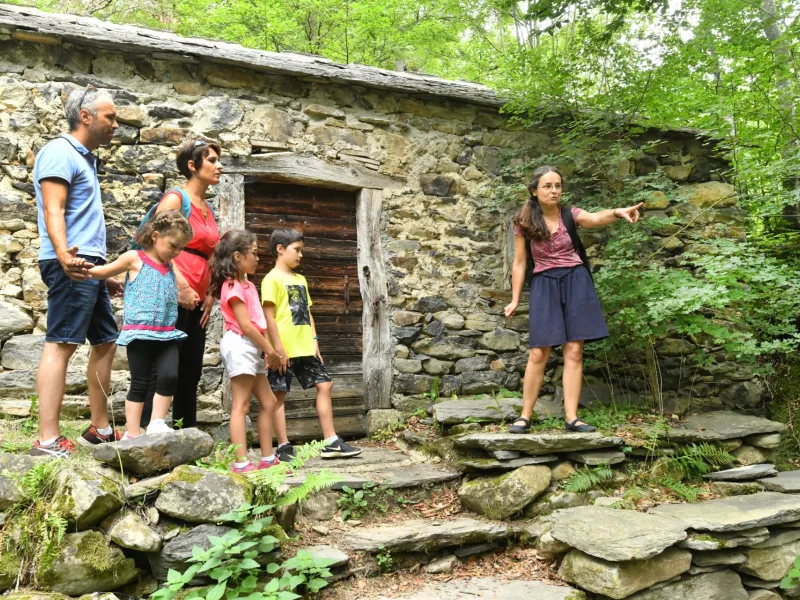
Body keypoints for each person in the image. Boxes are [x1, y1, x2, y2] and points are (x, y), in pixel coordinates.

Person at [504, 166, 643, 434]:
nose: (554, 190)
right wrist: (514, 299)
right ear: (535, 190)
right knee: (538, 352)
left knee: (574, 350)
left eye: (558, 185)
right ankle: (524, 416)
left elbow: (594, 218)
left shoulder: (570, 214)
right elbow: (520, 263)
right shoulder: (523, 221)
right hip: (545, 282)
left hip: (576, 281)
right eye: (547, 186)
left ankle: (572, 417)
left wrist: (617, 212)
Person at [31, 84, 122, 457]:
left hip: (89, 265)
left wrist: (103, 270)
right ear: (85, 116)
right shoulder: (58, 151)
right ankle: (48, 439)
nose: (115, 125)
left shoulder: (86, 158)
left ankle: (99, 429)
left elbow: (79, 217)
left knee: (105, 340)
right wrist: (64, 256)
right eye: (110, 117)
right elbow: (54, 208)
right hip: (70, 263)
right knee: (62, 342)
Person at [87, 211, 193, 440]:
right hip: (140, 333)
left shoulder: (170, 265)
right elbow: (103, 272)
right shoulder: (134, 258)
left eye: (180, 249)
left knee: (169, 376)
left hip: (167, 333)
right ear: (155, 236)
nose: (176, 252)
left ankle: (156, 422)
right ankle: (132, 433)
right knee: (140, 382)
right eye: (173, 246)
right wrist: (81, 268)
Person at [140, 139, 222, 429]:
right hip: (172, 293)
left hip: (199, 300)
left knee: (192, 369)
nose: (218, 165)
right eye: (211, 160)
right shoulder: (176, 199)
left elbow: (212, 254)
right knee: (164, 367)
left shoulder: (208, 209)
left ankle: (186, 434)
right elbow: (156, 242)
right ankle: (146, 433)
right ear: (192, 166)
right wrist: (182, 286)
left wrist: (212, 293)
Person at [262, 228, 362, 459]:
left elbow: (307, 312)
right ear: (280, 249)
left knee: (325, 385)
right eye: (296, 250)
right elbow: (269, 316)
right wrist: (277, 349)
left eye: (301, 250)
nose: (300, 255)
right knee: (278, 395)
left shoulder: (301, 279)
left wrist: (314, 340)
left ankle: (331, 441)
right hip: (283, 349)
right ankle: (284, 446)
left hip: (305, 346)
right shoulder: (271, 279)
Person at [210, 230, 283, 473]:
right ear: (238, 257)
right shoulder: (232, 287)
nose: (258, 258)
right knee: (241, 404)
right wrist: (270, 351)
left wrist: (264, 350)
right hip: (240, 344)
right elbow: (245, 325)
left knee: (269, 401)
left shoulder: (248, 284)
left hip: (251, 346)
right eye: (254, 253)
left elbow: (257, 322)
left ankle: (267, 458)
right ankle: (241, 462)